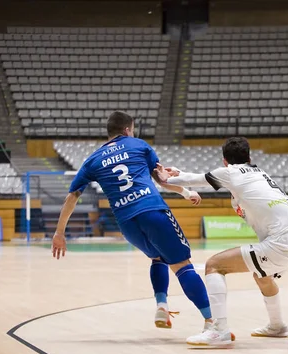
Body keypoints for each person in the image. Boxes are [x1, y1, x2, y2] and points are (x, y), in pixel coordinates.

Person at [51, 111, 218, 339]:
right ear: (127, 130)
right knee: (182, 265)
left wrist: (59, 233)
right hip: (152, 211)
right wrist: (187, 192)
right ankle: (212, 323)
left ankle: (162, 305)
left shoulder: (92, 160)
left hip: (127, 223)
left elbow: (72, 196)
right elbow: (161, 179)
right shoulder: (138, 145)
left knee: (158, 258)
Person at [156, 136, 288, 346]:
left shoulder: (230, 173)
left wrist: (163, 176)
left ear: (224, 161)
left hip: (280, 243)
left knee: (214, 265)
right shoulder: (259, 173)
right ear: (249, 157)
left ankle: (219, 330)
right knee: (262, 275)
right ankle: (277, 326)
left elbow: (186, 181)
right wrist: (180, 172)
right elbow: (199, 177)